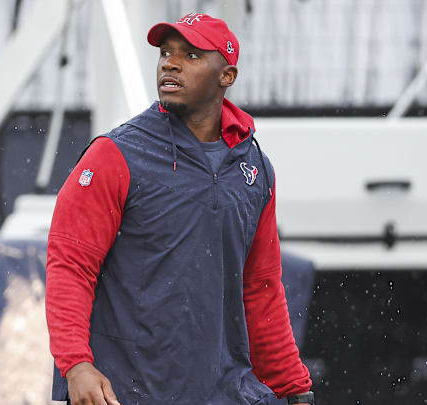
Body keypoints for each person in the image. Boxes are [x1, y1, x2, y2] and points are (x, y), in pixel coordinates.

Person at [45, 13, 313, 405]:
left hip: (223, 393)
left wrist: (294, 387)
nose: (170, 62)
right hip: (126, 393)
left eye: (190, 55)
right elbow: (70, 265)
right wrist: (76, 364)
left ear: (227, 76)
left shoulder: (254, 168)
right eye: (166, 52)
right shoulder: (114, 155)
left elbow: (261, 287)